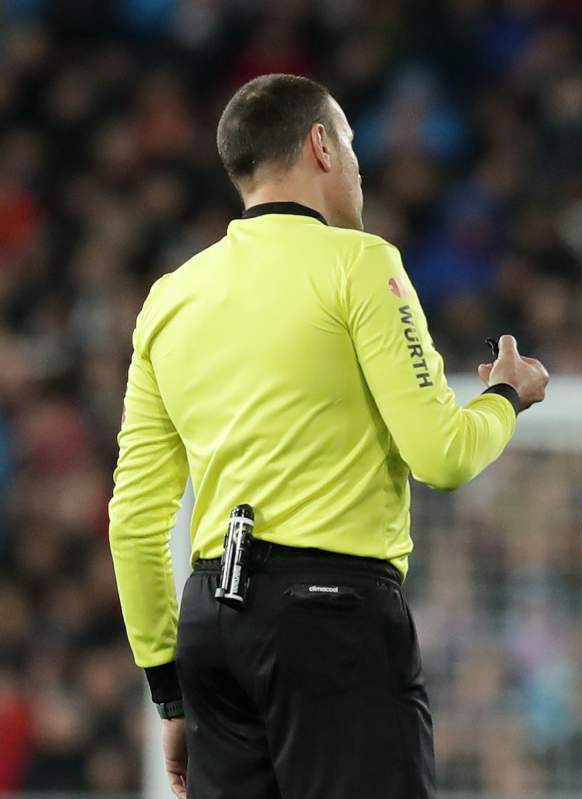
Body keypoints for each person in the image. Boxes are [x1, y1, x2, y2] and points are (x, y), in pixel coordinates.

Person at [107, 73, 549, 799]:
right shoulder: (360, 263)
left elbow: (133, 520)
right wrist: (507, 396)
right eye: (350, 144)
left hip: (213, 624)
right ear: (320, 145)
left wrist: (169, 691)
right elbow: (441, 455)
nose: (357, 166)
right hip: (334, 619)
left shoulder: (170, 297)